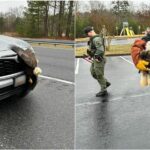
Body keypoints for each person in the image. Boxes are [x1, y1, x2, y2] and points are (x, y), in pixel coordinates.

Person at [84, 26, 111, 97]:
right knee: (93, 72)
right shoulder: (93, 39)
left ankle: (104, 90)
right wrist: (90, 56)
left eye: (87, 34)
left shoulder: (96, 39)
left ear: (90, 32)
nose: (87, 35)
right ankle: (105, 82)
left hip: (99, 59)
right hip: (95, 59)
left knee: (99, 74)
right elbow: (94, 49)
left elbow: (101, 50)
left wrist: (95, 56)